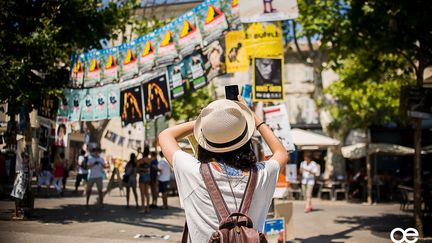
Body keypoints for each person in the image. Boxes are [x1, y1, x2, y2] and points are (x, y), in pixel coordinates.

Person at [158, 97, 288, 242]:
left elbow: (165, 135)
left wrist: (209, 122)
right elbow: (281, 152)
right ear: (246, 137)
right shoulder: (262, 174)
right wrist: (252, 118)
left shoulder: (193, 172)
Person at [137, 147, 151, 213]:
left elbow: (137, 168)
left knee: (142, 193)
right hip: (148, 177)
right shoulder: (149, 159)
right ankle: (147, 208)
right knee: (147, 193)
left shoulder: (141, 160)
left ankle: (143, 208)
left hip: (142, 176)